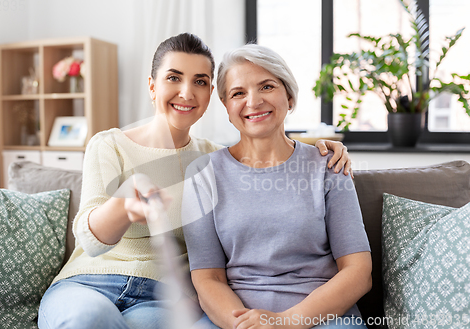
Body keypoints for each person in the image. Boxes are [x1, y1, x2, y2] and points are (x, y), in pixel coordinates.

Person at [38, 33, 353, 329]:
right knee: (89, 319)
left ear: (211, 95)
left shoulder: (213, 161)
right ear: (152, 86)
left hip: (161, 296)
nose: (186, 92)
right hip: (91, 281)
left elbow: (264, 154)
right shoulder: (109, 145)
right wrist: (123, 206)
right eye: (173, 78)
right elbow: (90, 241)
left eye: (199, 82)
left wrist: (325, 149)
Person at [182, 44, 372, 329]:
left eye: (266, 87)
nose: (253, 101)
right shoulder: (202, 175)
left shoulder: (328, 165)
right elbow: (209, 278)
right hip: (235, 318)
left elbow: (358, 271)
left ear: (289, 96)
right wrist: (245, 326)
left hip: (322, 317)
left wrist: (286, 322)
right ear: (226, 106)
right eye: (238, 93)